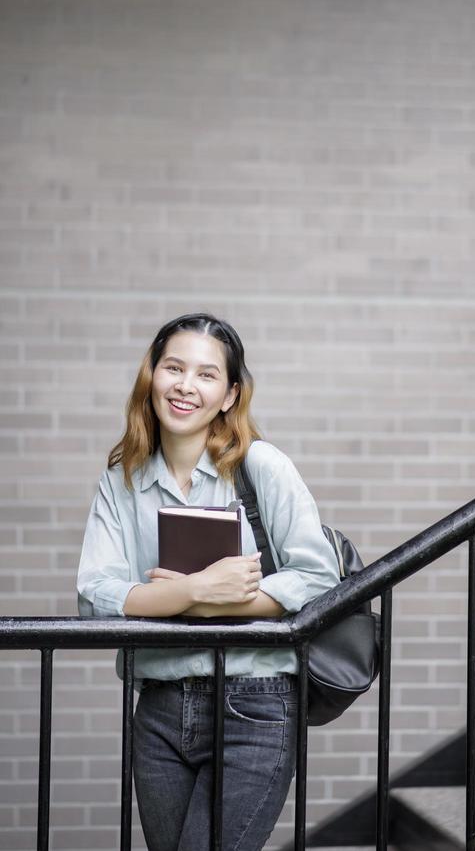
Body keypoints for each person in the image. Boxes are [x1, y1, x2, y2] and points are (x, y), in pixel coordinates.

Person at [77, 313, 340, 851]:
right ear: (151, 376)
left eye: (205, 375)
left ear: (229, 394)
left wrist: (185, 605)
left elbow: (318, 579)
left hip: (255, 704)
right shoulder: (121, 480)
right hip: (158, 707)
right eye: (173, 368)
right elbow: (95, 599)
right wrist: (198, 591)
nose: (185, 386)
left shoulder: (260, 465)